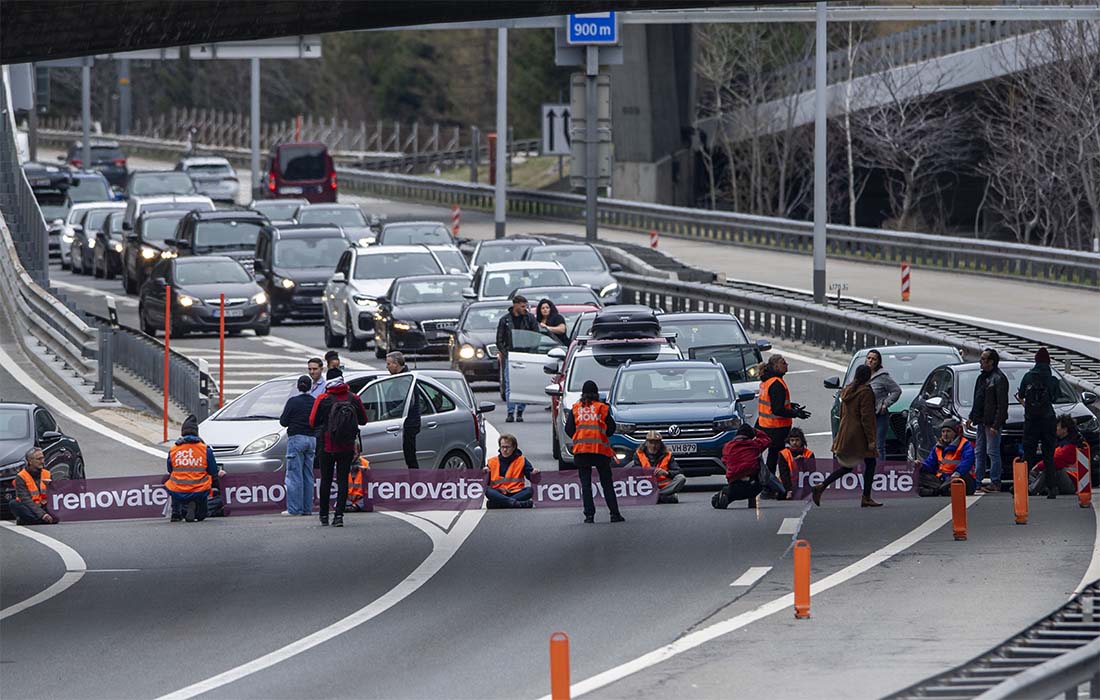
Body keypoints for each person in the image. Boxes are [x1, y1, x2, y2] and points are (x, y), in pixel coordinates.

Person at [814, 364, 881, 507]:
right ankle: (866, 497)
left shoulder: (847, 390)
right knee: (870, 463)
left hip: (847, 432)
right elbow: (866, 418)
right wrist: (871, 439)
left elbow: (842, 413)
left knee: (848, 466)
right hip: (860, 435)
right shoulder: (865, 392)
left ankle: (823, 486)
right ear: (868, 376)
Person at [310, 376, 368, 527]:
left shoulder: (323, 398)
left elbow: (312, 421)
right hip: (347, 445)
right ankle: (339, 516)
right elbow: (363, 420)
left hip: (327, 445)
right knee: (343, 480)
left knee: (326, 480)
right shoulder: (353, 398)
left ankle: (324, 515)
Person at [566, 380, 624, 523]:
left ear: (583, 393)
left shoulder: (576, 409)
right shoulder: (601, 408)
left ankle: (589, 515)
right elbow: (611, 428)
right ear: (596, 393)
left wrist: (579, 437)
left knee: (586, 485)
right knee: (607, 483)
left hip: (581, 452)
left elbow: (569, 429)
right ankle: (614, 514)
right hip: (600, 451)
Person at [756, 355, 810, 495]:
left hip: (766, 426)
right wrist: (795, 413)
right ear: (775, 366)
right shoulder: (776, 383)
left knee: (773, 457)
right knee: (777, 457)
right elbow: (777, 409)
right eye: (783, 363)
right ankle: (769, 488)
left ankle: (770, 486)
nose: (786, 365)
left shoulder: (767, 381)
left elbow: (775, 403)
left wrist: (791, 406)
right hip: (776, 428)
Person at [1018, 347, 1060, 499]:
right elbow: (1056, 398)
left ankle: (1021, 485)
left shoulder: (1028, 377)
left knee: (1028, 454)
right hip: (1048, 419)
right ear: (1048, 362)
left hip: (1031, 420)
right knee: (1049, 455)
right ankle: (1051, 488)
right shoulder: (1052, 379)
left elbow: (1021, 394)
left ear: (1035, 361)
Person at [165, 414, 222, 522]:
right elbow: (213, 471)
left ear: (182, 432)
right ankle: (199, 512)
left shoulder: (174, 449)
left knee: (173, 483)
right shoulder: (205, 449)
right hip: (199, 490)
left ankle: (176, 514)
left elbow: (170, 469)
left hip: (179, 490)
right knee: (202, 515)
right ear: (196, 432)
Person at [967, 348, 1009, 493]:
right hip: (981, 421)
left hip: (991, 423)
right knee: (979, 452)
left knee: (992, 452)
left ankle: (995, 481)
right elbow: (978, 399)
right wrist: (972, 416)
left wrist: (996, 424)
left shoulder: (999, 378)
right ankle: (977, 482)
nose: (981, 361)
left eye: (983, 359)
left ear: (991, 362)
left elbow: (1002, 405)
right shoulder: (982, 378)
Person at [496, 295, 540, 423]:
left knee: (523, 384)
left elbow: (536, 336)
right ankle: (510, 412)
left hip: (525, 355)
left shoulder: (530, 319)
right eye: (522, 306)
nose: (524, 309)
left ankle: (520, 411)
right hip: (510, 355)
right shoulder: (505, 320)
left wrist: (531, 353)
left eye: (526, 306)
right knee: (510, 384)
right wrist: (506, 354)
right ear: (515, 305)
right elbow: (499, 340)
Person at [714, 425, 777, 509]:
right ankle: (752, 499)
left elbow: (724, 460)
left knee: (716, 500)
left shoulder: (727, 447)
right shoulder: (754, 444)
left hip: (734, 484)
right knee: (757, 466)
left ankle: (726, 494)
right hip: (755, 485)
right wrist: (755, 431)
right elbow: (767, 440)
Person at [280, 375, 317, 516]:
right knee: (308, 475)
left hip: (296, 438)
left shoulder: (293, 402)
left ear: (298, 386)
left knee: (294, 475)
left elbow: (284, 421)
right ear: (311, 387)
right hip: (312, 439)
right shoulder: (314, 402)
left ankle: (294, 509)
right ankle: (307, 508)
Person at [1028, 414, 1088, 497]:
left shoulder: (1071, 446)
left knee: (1051, 469)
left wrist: (1038, 466)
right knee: (1031, 473)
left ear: (1064, 429)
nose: (1054, 428)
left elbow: (1057, 461)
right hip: (1064, 480)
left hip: (1072, 484)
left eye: (1057, 426)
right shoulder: (1059, 443)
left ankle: (1032, 489)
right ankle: (1044, 488)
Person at [917, 419, 976, 497]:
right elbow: (930, 464)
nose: (945, 434)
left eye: (948, 431)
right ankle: (939, 490)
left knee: (960, 479)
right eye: (943, 431)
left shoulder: (965, 444)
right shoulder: (938, 447)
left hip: (959, 478)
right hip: (942, 480)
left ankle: (935, 490)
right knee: (918, 475)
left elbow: (967, 462)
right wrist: (920, 466)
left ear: (955, 433)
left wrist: (957, 473)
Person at [625, 431, 686, 504]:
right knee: (628, 469)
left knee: (681, 478)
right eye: (651, 443)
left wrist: (666, 473)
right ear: (646, 443)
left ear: (660, 444)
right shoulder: (639, 454)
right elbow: (635, 472)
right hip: (645, 485)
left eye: (656, 443)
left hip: (663, 486)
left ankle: (657, 496)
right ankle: (662, 497)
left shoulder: (668, 454)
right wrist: (646, 473)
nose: (654, 446)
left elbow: (678, 471)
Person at [483, 433, 538, 509]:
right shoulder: (492, 462)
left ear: (514, 447)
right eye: (502, 447)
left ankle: (500, 504)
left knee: (529, 490)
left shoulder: (521, 460)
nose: (505, 450)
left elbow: (533, 479)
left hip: (516, 492)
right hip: (499, 492)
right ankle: (515, 503)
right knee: (487, 490)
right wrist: (485, 474)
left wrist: (534, 474)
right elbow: (486, 483)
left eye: (507, 447)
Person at [865, 350, 902, 463]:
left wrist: (885, 404)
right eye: (869, 358)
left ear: (878, 362)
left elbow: (896, 391)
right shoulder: (862, 374)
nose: (870, 361)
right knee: (864, 445)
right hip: (865, 416)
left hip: (879, 416)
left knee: (878, 446)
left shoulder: (883, 376)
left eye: (874, 359)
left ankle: (880, 472)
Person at [386, 351, 420, 469]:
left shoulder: (404, 379)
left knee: (410, 457)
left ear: (396, 364)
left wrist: (389, 414)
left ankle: (415, 484)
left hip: (408, 424)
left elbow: (408, 402)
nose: (387, 367)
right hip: (408, 423)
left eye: (389, 364)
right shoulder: (403, 377)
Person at [10, 448, 59, 525]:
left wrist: (51, 487)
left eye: (43, 458)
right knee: (13, 504)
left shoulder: (47, 474)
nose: (42, 461)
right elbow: (25, 500)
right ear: (30, 461)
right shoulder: (21, 477)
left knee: (57, 511)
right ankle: (42, 520)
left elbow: (56, 496)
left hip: (44, 506)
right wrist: (43, 515)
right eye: (39, 459)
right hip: (30, 507)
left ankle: (30, 520)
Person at [778, 427, 816, 494]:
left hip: (803, 484)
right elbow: (784, 473)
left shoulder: (809, 454)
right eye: (792, 440)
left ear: (802, 441)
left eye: (797, 440)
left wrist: (803, 463)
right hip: (787, 484)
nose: (794, 443)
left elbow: (812, 473)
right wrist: (788, 490)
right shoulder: (783, 454)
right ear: (789, 441)